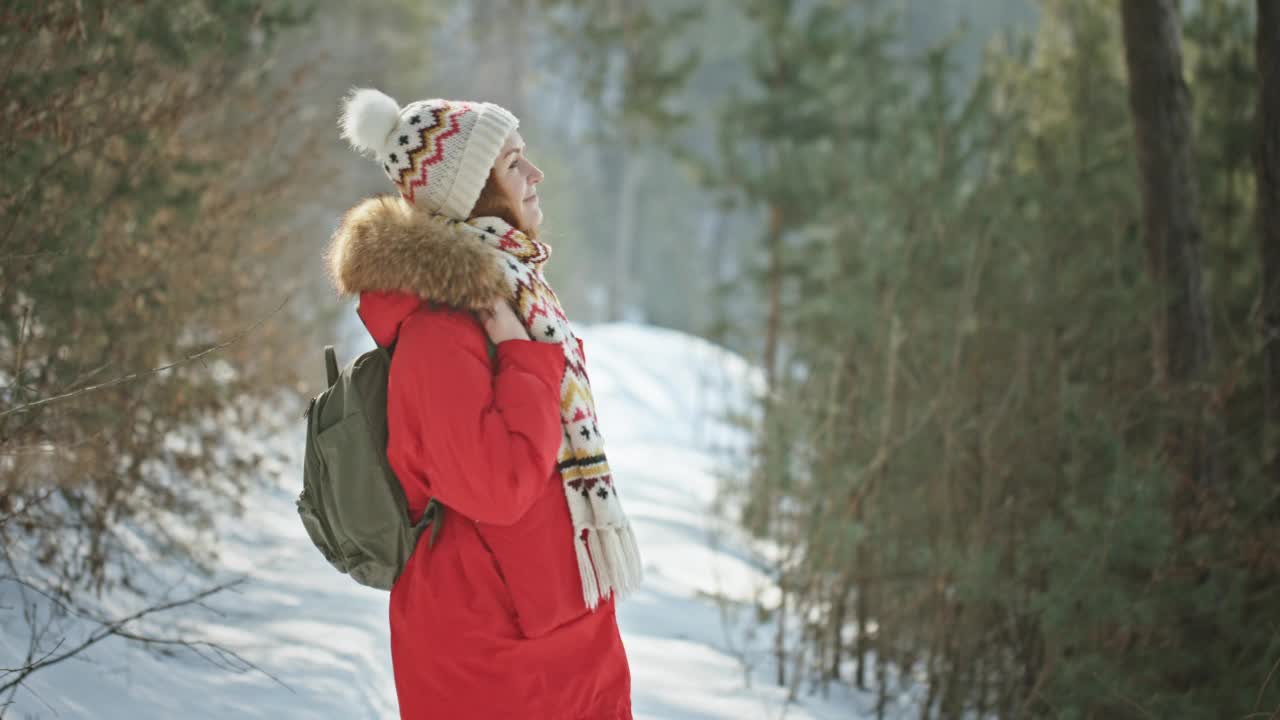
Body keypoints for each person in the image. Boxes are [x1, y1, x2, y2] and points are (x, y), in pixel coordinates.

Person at [325, 88, 644, 719]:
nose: (535, 174)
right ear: (471, 193)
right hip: (491, 648)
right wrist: (525, 359)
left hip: (555, 631)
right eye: (513, 163)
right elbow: (495, 486)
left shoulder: (510, 298)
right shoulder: (440, 331)